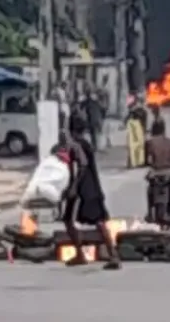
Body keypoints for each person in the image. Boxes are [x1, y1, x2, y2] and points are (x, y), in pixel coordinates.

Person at [61, 114, 121, 269]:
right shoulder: (85, 144)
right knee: (96, 222)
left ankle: (108, 256)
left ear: (71, 130)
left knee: (74, 220)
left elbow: (82, 165)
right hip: (91, 188)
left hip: (83, 190)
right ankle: (105, 255)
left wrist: (73, 186)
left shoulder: (76, 145)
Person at [124, 94, 148, 168]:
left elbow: (126, 121)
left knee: (134, 147)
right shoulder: (142, 111)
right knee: (138, 147)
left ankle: (132, 163)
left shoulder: (134, 111)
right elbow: (144, 122)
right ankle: (137, 162)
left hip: (135, 131)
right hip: (138, 130)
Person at [80, 83, 104, 151]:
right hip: (92, 117)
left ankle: (95, 146)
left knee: (93, 132)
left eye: (88, 91)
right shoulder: (87, 100)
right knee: (92, 133)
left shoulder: (92, 99)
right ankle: (94, 146)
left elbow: (100, 105)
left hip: (94, 117)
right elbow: (82, 106)